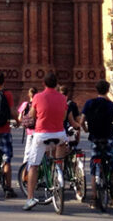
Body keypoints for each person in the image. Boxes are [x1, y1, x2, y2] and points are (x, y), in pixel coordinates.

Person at [22, 72, 77, 211]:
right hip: (59, 134)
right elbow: (64, 116)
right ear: (56, 83)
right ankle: (58, 170)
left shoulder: (37, 97)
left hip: (42, 134)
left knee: (33, 165)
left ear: (43, 84)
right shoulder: (63, 98)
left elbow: (32, 116)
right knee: (59, 154)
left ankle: (30, 198)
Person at [80, 80, 113, 206]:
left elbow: (82, 121)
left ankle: (94, 198)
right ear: (107, 90)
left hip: (95, 139)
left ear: (96, 90)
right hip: (108, 139)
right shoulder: (112, 106)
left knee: (94, 167)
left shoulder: (89, 103)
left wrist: (87, 130)